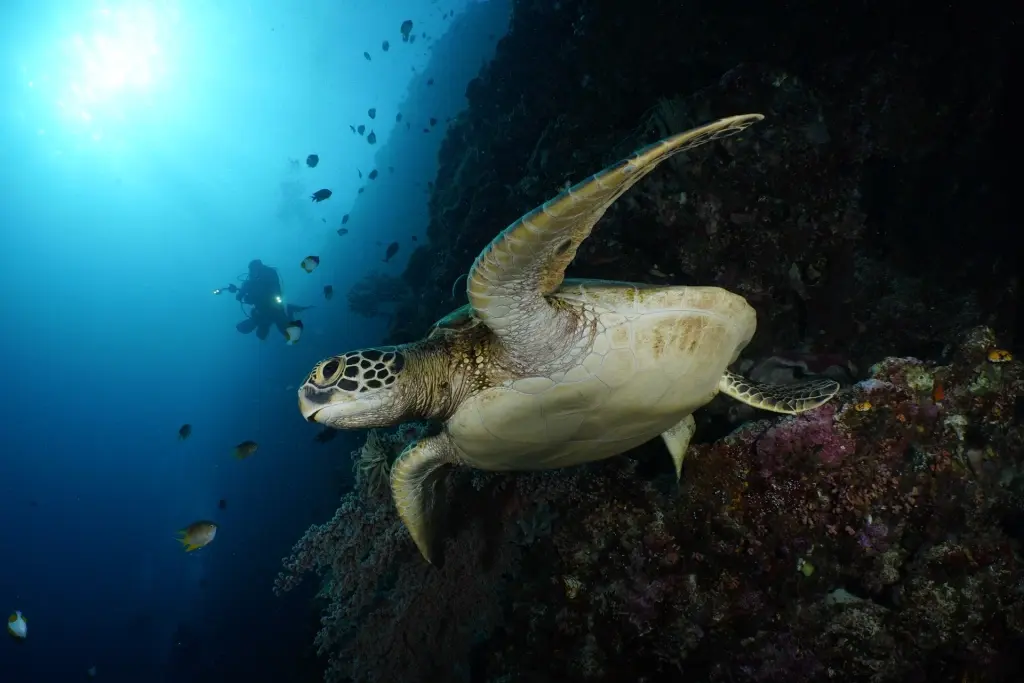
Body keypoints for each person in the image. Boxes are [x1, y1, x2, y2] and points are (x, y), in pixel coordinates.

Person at [223, 259, 309, 340]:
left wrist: (242, 294)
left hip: (273, 309)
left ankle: (289, 314)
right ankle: (288, 314)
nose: (251, 272)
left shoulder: (264, 278)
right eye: (252, 270)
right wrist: (238, 292)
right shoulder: (251, 282)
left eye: (253, 270)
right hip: (264, 310)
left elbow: (275, 290)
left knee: (282, 330)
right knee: (262, 334)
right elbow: (240, 295)